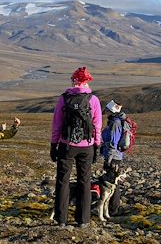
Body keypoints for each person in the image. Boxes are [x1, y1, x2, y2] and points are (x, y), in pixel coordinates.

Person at [50, 67, 102, 228]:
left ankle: (61, 219)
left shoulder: (64, 98)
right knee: (84, 181)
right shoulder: (93, 99)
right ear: (87, 82)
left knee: (63, 181)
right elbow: (97, 125)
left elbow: (57, 124)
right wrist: (97, 145)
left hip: (67, 145)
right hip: (87, 146)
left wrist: (54, 144)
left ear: (74, 80)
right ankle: (83, 219)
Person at [100, 99, 126, 216]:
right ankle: (111, 207)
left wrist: (109, 159)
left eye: (107, 110)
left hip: (113, 157)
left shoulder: (115, 123)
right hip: (114, 156)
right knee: (111, 181)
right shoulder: (114, 122)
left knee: (112, 182)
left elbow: (113, 142)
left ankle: (113, 209)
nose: (106, 112)